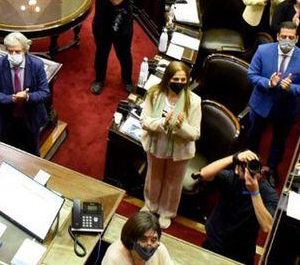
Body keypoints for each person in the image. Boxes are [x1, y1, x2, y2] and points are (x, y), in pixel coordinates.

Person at [140, 61, 201, 228]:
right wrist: (163, 123)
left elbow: (195, 133)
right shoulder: (154, 94)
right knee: (154, 177)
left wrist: (181, 126)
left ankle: (167, 212)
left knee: (173, 183)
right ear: (167, 78)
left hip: (180, 151)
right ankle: (151, 205)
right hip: (156, 145)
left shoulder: (194, 101)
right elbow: (144, 121)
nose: (179, 83)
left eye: (183, 80)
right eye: (176, 79)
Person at [246, 22, 300, 172]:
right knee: (253, 137)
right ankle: (248, 166)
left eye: (291, 37)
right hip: (261, 104)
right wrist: (269, 82)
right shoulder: (263, 51)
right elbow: (251, 75)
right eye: (283, 37)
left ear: (297, 39)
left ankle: (271, 169)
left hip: (285, 110)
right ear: (277, 36)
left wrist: (290, 88)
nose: (286, 40)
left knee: (279, 143)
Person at [200, 150, 277, 264]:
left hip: (240, 253)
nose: (247, 171)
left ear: (259, 170)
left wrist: (254, 192)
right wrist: (233, 157)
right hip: (214, 243)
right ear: (237, 168)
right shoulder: (231, 178)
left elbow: (267, 226)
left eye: (251, 167)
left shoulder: (267, 192)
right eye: (243, 166)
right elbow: (203, 174)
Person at [0, 32, 51, 154]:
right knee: (7, 152)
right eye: (10, 51)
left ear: (25, 50)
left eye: (17, 51)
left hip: (30, 117)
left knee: (32, 153)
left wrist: (27, 97)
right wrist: (12, 99)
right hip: (6, 118)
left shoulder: (36, 65)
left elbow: (44, 92)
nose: (13, 55)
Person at [82, 0, 135, 94]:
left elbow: (116, 0)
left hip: (121, 23)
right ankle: (99, 79)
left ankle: (127, 80)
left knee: (123, 54)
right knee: (101, 52)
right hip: (102, 21)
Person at [102, 210, 173, 264]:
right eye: (143, 239)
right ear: (131, 240)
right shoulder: (113, 257)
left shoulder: (160, 250)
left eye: (153, 240)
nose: (149, 244)